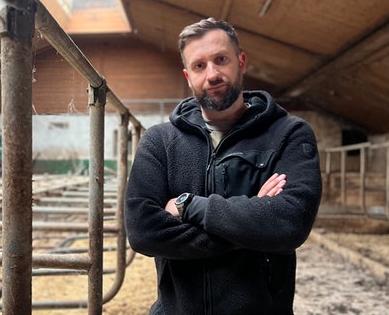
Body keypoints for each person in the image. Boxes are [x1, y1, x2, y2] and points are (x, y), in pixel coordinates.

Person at [124, 17, 322, 315]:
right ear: (188, 75)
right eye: (199, 65)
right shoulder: (159, 141)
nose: (212, 73)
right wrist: (252, 223)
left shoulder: (288, 134)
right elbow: (143, 230)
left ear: (241, 62)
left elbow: (290, 222)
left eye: (221, 59)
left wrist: (188, 206)